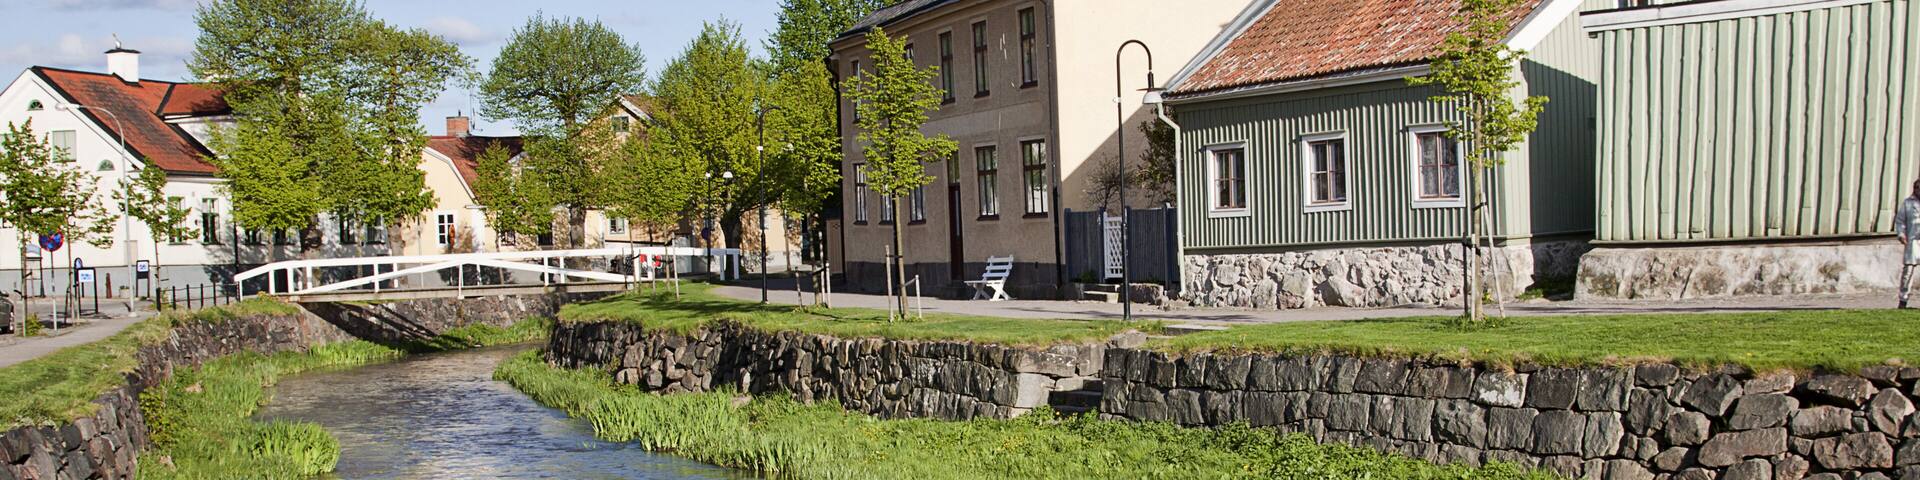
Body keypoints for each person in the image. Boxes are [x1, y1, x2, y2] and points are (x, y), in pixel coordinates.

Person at [1897, 179, 1920, 308]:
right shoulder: (1908, 203)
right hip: (1912, 241)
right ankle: (1903, 300)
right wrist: (1901, 234)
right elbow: (1900, 221)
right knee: (1908, 271)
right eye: (1917, 188)